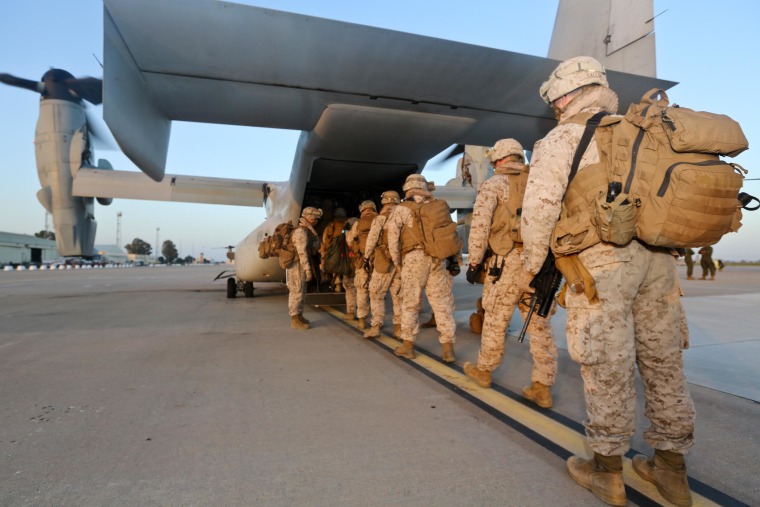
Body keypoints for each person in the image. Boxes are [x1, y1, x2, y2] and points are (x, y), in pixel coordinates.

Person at [521, 56, 695, 506]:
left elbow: (539, 213)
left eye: (557, 99)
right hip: (658, 261)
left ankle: (607, 474)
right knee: (664, 364)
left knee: (606, 367)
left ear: (567, 96)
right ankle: (672, 472)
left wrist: (531, 272)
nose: (556, 107)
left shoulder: (561, 138)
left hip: (602, 264)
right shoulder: (645, 131)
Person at [463, 138, 558, 409]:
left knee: (495, 318)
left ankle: (484, 370)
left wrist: (474, 263)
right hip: (539, 264)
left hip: (505, 263)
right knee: (539, 325)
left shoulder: (493, 185)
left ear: (498, 160)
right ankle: (543, 386)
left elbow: (480, 226)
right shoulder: (540, 183)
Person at [386, 174, 458, 362]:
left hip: (414, 258)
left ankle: (408, 345)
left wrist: (397, 263)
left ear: (407, 189)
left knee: (410, 303)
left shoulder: (401, 209)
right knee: (441, 303)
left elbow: (392, 240)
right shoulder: (436, 207)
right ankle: (448, 349)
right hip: (438, 257)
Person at [362, 191, 403, 339]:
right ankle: (398, 328)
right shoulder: (405, 216)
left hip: (383, 261)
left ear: (384, 202)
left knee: (376, 293)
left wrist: (366, 257)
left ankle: (376, 326)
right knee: (398, 295)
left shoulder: (380, 218)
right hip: (401, 262)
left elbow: (372, 239)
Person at [288, 207, 322, 330]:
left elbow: (316, 245)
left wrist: (312, 230)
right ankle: (294, 319)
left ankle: (299, 315)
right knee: (296, 291)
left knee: (301, 292)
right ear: (311, 218)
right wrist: (308, 269)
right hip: (297, 265)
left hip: (301, 265)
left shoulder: (307, 231)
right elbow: (302, 252)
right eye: (316, 219)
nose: (317, 221)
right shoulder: (301, 232)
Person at [347, 200, 378, 329]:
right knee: (377, 294)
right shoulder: (381, 219)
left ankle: (362, 320)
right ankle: (377, 323)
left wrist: (347, 233)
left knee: (361, 291)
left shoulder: (358, 223)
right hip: (379, 261)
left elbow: (350, 241)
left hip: (362, 262)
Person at [321, 207, 357, 318]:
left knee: (345, 280)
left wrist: (324, 253)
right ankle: (361, 314)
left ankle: (338, 286)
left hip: (339, 253)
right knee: (359, 288)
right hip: (356, 259)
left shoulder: (332, 224)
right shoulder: (354, 223)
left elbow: (325, 239)